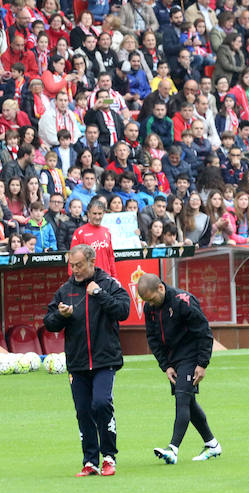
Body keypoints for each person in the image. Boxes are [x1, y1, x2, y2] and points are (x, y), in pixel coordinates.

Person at [43, 244, 131, 477]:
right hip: (78, 362)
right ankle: (90, 461)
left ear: (92, 262)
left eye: (79, 265)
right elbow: (49, 322)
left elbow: (124, 311)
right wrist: (60, 316)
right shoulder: (65, 290)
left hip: (105, 360)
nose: (75, 270)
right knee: (83, 411)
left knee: (101, 404)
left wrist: (99, 294)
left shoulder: (109, 284)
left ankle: (109, 457)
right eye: (72, 265)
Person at [137, 273, 222, 465]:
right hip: (174, 360)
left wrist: (202, 363)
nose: (150, 304)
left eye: (152, 299)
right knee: (188, 402)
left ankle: (173, 449)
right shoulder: (149, 308)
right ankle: (212, 444)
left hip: (191, 356)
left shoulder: (183, 301)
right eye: (146, 301)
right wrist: (165, 366)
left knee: (182, 399)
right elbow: (152, 338)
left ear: (160, 288)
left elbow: (204, 332)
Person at [69, 200, 117, 278]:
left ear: (104, 214)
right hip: (87, 278)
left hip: (105, 277)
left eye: (100, 213)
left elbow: (110, 257)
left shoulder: (107, 232)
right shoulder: (80, 232)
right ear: (88, 214)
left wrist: (114, 277)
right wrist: (73, 279)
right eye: (94, 213)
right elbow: (72, 257)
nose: (97, 217)